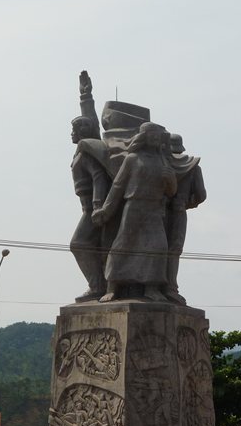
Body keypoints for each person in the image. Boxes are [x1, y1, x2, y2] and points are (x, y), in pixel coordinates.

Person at [92, 122, 177, 302]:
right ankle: (112, 286)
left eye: (157, 136)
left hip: (154, 209)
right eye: (152, 135)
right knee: (123, 244)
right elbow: (118, 185)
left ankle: (152, 287)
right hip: (134, 206)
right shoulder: (132, 158)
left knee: (158, 247)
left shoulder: (163, 160)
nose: (155, 139)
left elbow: (171, 192)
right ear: (144, 137)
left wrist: (171, 180)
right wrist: (106, 209)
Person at [69, 115, 111, 301]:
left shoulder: (87, 152)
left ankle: (97, 286)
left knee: (79, 244)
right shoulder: (80, 151)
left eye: (74, 130)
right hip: (86, 205)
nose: (71, 134)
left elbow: (98, 176)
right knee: (97, 247)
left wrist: (97, 205)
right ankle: (100, 284)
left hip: (91, 208)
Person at [163, 133, 206, 304]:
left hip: (156, 210)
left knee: (155, 249)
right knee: (174, 250)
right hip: (179, 211)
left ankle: (157, 286)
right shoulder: (193, 166)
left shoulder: (161, 162)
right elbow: (201, 195)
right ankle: (171, 287)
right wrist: (188, 203)